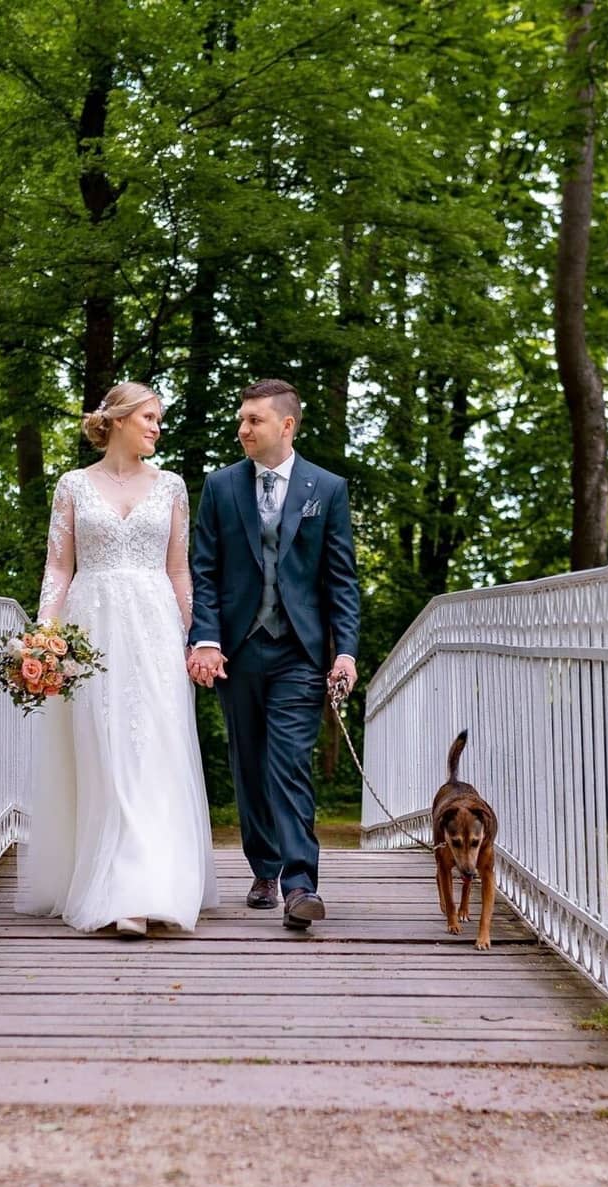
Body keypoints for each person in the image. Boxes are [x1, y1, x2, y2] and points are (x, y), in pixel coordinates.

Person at [16, 382, 219, 938]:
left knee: (155, 750)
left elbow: (180, 570)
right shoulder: (73, 486)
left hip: (155, 628)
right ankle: (118, 889)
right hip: (93, 627)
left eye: (159, 419)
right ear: (121, 421)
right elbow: (59, 568)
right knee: (104, 751)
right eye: (150, 417)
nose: (157, 427)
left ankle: (155, 884)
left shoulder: (172, 486)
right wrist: (45, 635)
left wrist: (196, 637)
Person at [187, 378, 361, 931]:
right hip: (236, 651)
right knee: (249, 763)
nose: (243, 429)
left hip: (299, 653)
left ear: (286, 425)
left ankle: (300, 884)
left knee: (288, 763)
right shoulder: (220, 487)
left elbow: (341, 579)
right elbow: (204, 573)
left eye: (254, 420)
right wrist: (206, 639)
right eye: (241, 419)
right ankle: (263, 866)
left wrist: (346, 652)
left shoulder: (327, 489)